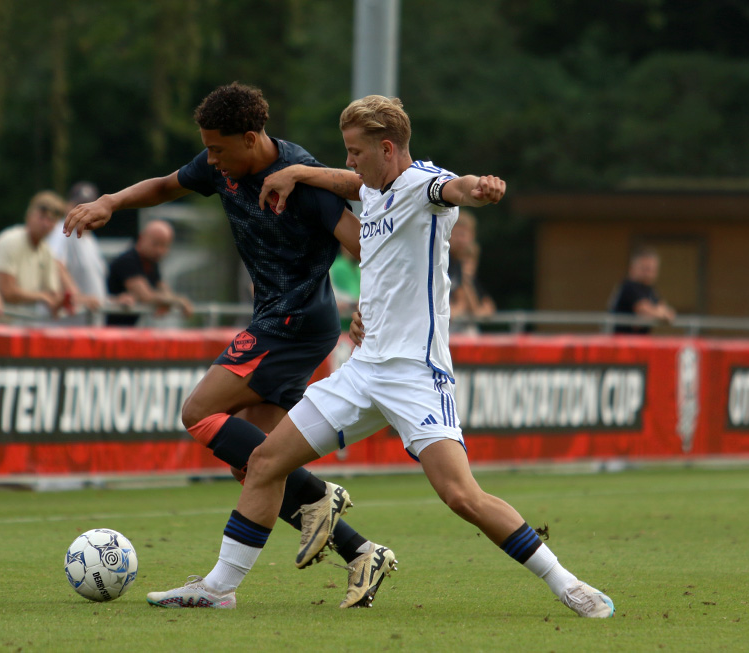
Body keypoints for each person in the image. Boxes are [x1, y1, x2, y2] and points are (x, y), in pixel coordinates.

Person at [146, 95, 615, 619]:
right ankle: (219, 587)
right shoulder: (374, 187)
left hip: (416, 374)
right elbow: (347, 185)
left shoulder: (425, 185)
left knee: (462, 496)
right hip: (363, 370)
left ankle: (566, 582)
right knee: (262, 463)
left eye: (354, 151)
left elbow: (453, 189)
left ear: (386, 149)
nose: (348, 162)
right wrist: (298, 173)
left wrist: (481, 189)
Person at [64, 82, 389, 606]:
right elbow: (167, 185)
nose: (210, 160)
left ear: (252, 136)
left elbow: (362, 244)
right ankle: (361, 552)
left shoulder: (301, 180)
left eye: (218, 149)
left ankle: (318, 502)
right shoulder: (222, 165)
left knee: (197, 411)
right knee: (257, 465)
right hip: (279, 320)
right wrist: (110, 202)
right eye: (206, 149)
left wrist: (369, 308)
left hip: (294, 321)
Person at [0, 191, 74, 323]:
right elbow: (8, 292)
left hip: (2, 323)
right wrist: (43, 297)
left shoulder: (46, 252)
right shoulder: (11, 241)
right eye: (42, 217)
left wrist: (62, 302)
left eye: (51, 220)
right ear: (29, 216)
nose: (45, 224)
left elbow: (52, 295)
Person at [106, 219, 193, 326]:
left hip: (121, 330)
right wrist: (178, 301)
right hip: (105, 327)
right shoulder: (128, 261)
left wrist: (169, 301)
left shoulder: (151, 262)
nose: (160, 251)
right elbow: (146, 296)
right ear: (141, 238)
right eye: (155, 244)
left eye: (165, 245)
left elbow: (165, 292)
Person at [48, 182, 108, 320]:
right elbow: (55, 263)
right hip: (69, 327)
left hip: (88, 324)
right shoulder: (63, 231)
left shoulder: (90, 239)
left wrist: (112, 300)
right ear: (69, 206)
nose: (84, 211)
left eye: (89, 206)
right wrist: (77, 296)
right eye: (79, 206)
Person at [608, 245, 676, 334]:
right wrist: (659, 314)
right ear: (632, 268)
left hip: (638, 343)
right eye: (645, 269)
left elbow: (667, 310)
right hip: (621, 343)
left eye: (652, 270)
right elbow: (644, 309)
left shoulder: (649, 289)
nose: (648, 274)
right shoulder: (628, 286)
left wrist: (662, 313)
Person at [450, 240, 496, 324]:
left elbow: (487, 308)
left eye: (470, 262)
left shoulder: (474, 283)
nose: (467, 266)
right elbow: (461, 305)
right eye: (463, 262)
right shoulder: (453, 280)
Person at [329, 245, 360, 331]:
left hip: (354, 327)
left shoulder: (358, 268)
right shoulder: (339, 266)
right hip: (341, 329)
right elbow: (355, 297)